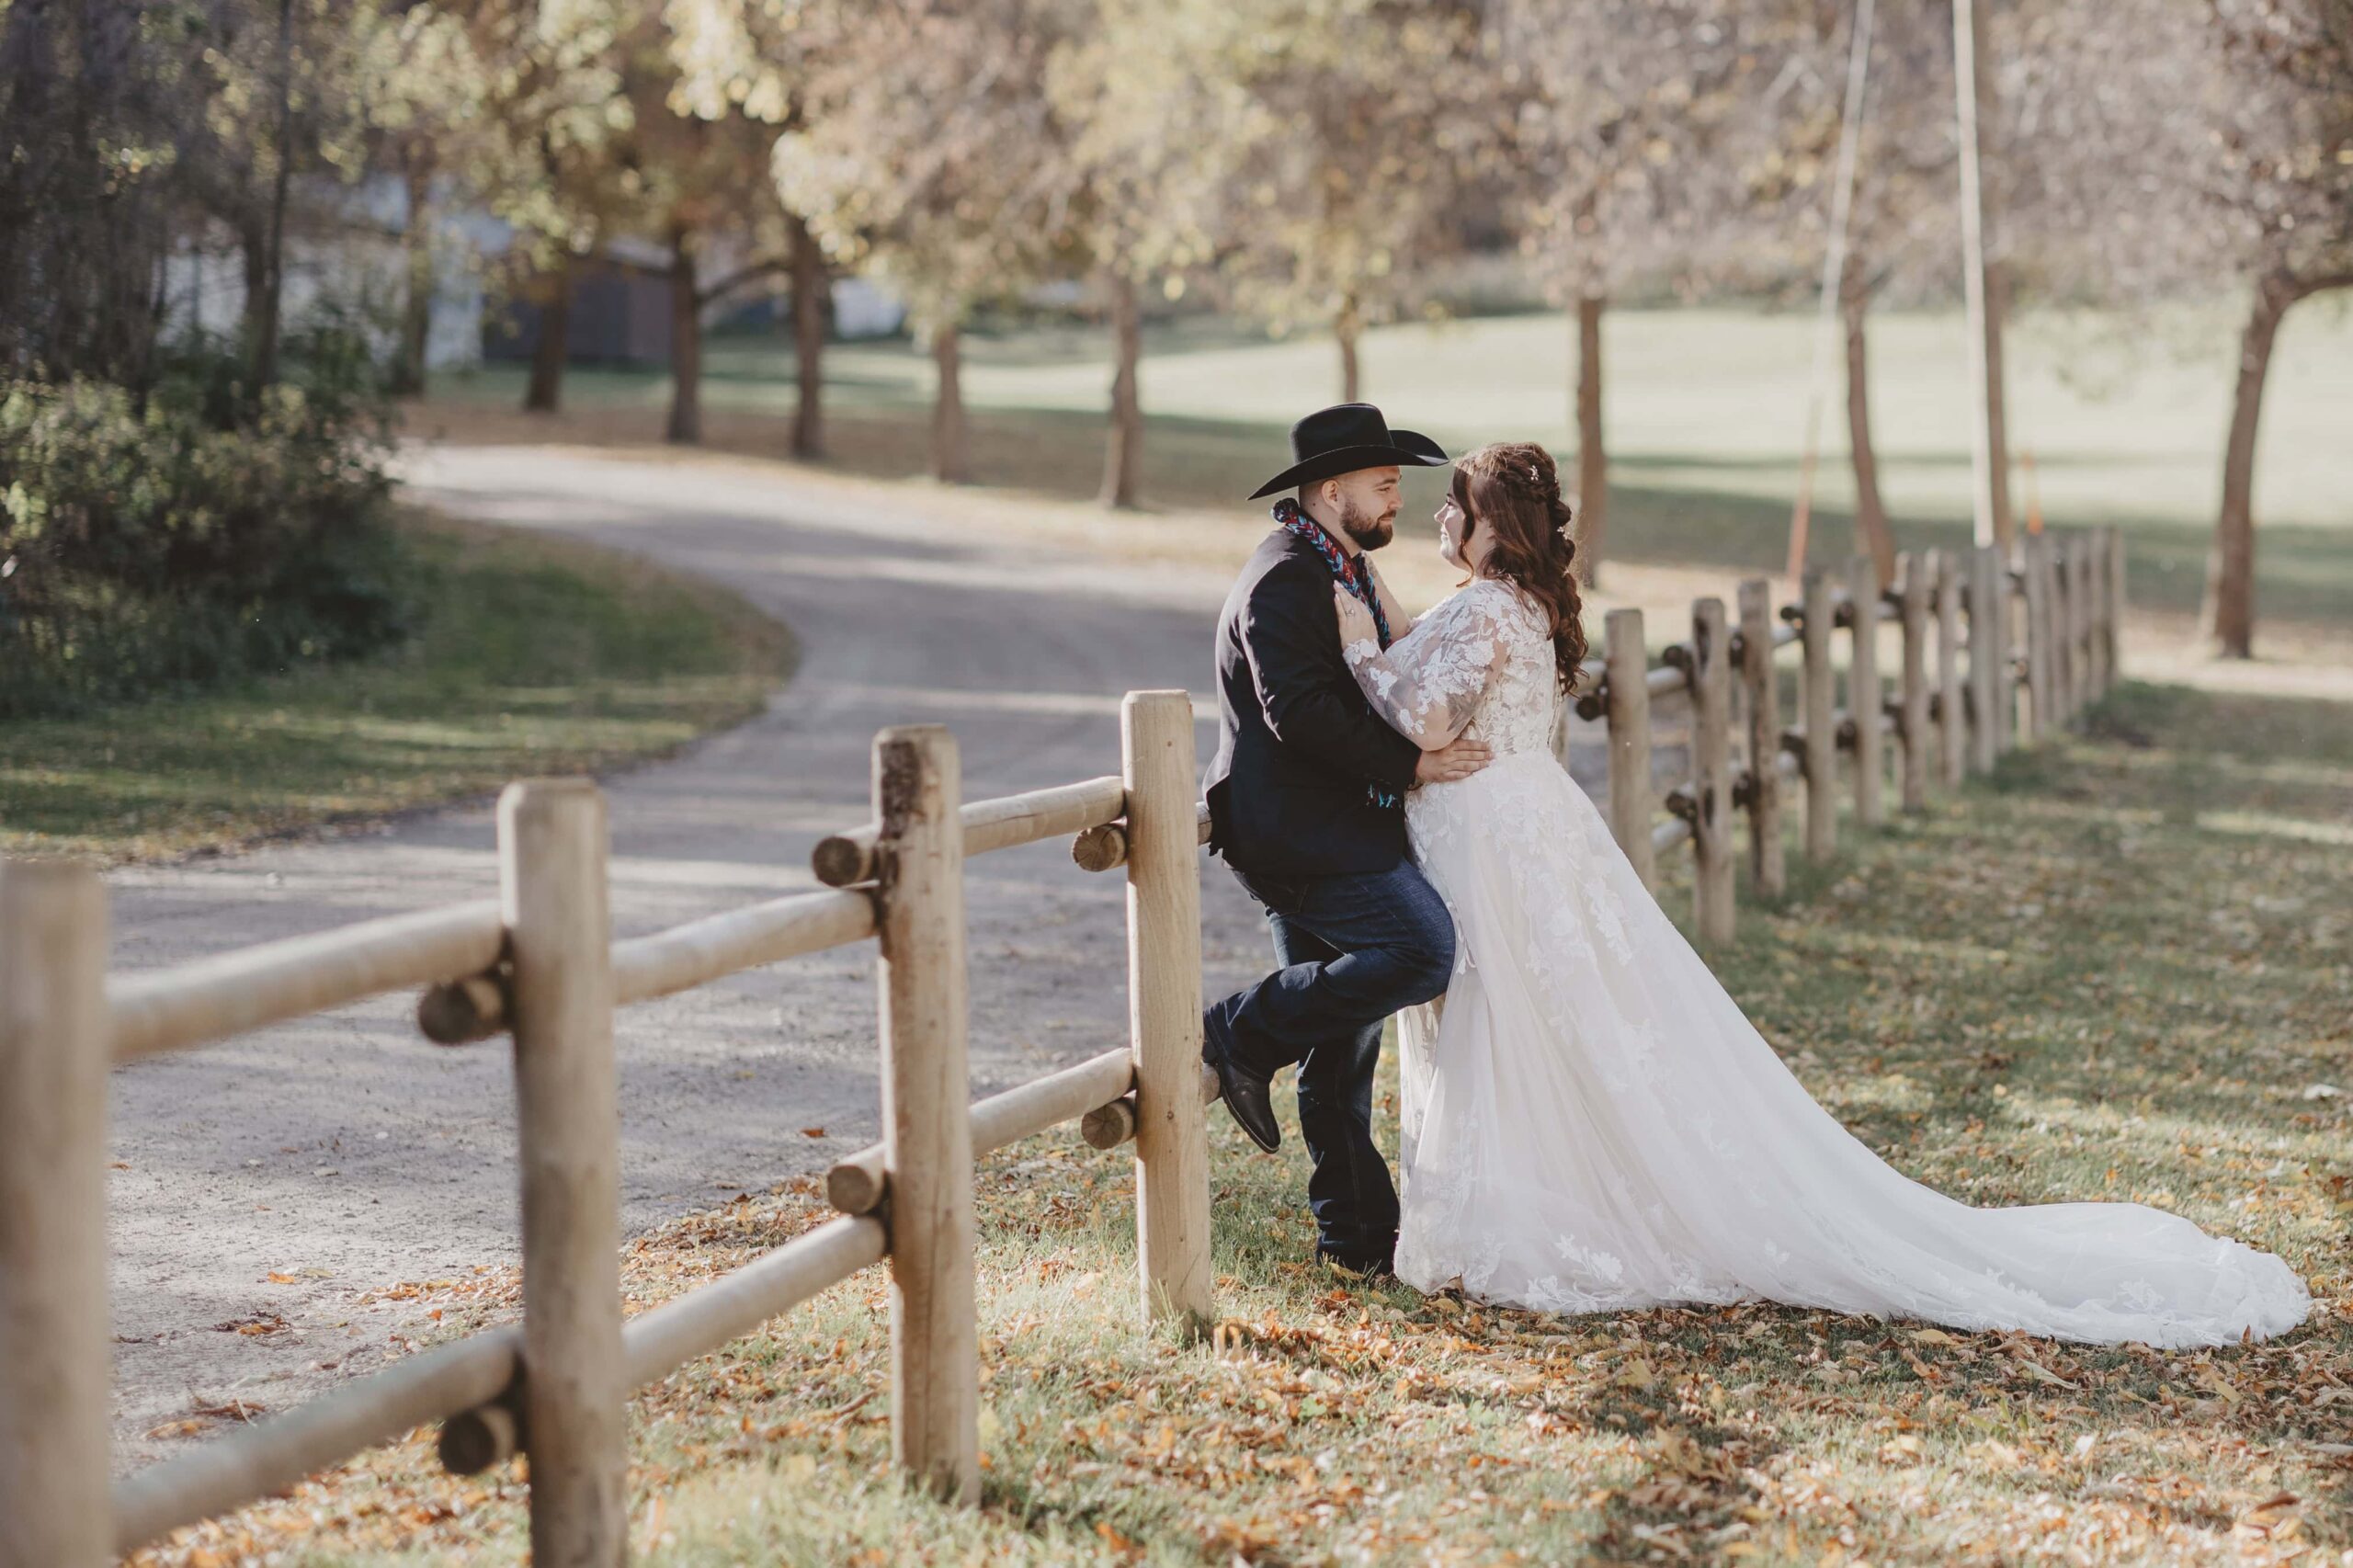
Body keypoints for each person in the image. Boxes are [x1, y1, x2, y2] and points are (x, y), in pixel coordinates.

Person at [1325, 437, 2311, 1346]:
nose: (1441, 521)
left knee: (1511, 1015)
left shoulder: (1486, 605)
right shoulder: (1520, 605)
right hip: (1525, 826)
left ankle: (1512, 1218)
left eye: (1453, 504)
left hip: (1498, 837)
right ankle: (1527, 1200)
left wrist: (1356, 648)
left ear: (1491, 521)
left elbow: (1419, 715)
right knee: (1545, 1020)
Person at [1200, 403, 1490, 1278]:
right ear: (1333, 490)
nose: (1397, 494)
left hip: (1334, 823)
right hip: (1298, 834)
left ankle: (1359, 1240)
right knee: (1422, 950)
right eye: (1384, 482)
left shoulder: (1342, 564)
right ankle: (1238, 1032)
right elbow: (1301, 715)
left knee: (1344, 1044)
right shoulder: (1285, 577)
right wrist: (1413, 766)